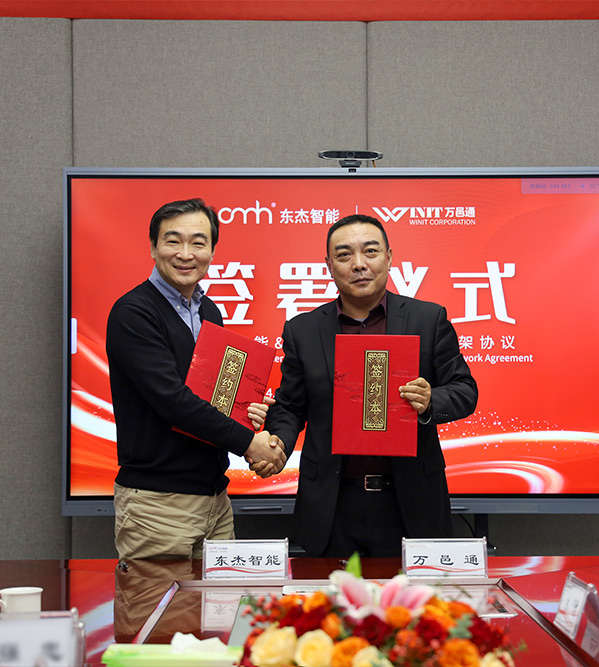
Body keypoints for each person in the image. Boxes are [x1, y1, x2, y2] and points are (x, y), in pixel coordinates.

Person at [264, 213, 478, 557]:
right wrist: (277, 444)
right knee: (330, 592)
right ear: (329, 265)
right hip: (332, 504)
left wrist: (430, 400)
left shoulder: (428, 319)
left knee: (412, 595)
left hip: (410, 502)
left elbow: (464, 390)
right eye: (344, 255)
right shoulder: (303, 330)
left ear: (389, 257)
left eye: (370, 251)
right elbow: (290, 406)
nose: (359, 264)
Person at [106, 198, 285, 560]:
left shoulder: (208, 311)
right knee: (160, 599)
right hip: (158, 505)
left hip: (215, 500)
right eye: (173, 241)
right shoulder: (134, 313)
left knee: (220, 599)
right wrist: (249, 443)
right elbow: (172, 400)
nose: (185, 254)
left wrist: (243, 409)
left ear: (212, 251)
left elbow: (211, 397)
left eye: (198, 243)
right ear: (153, 247)